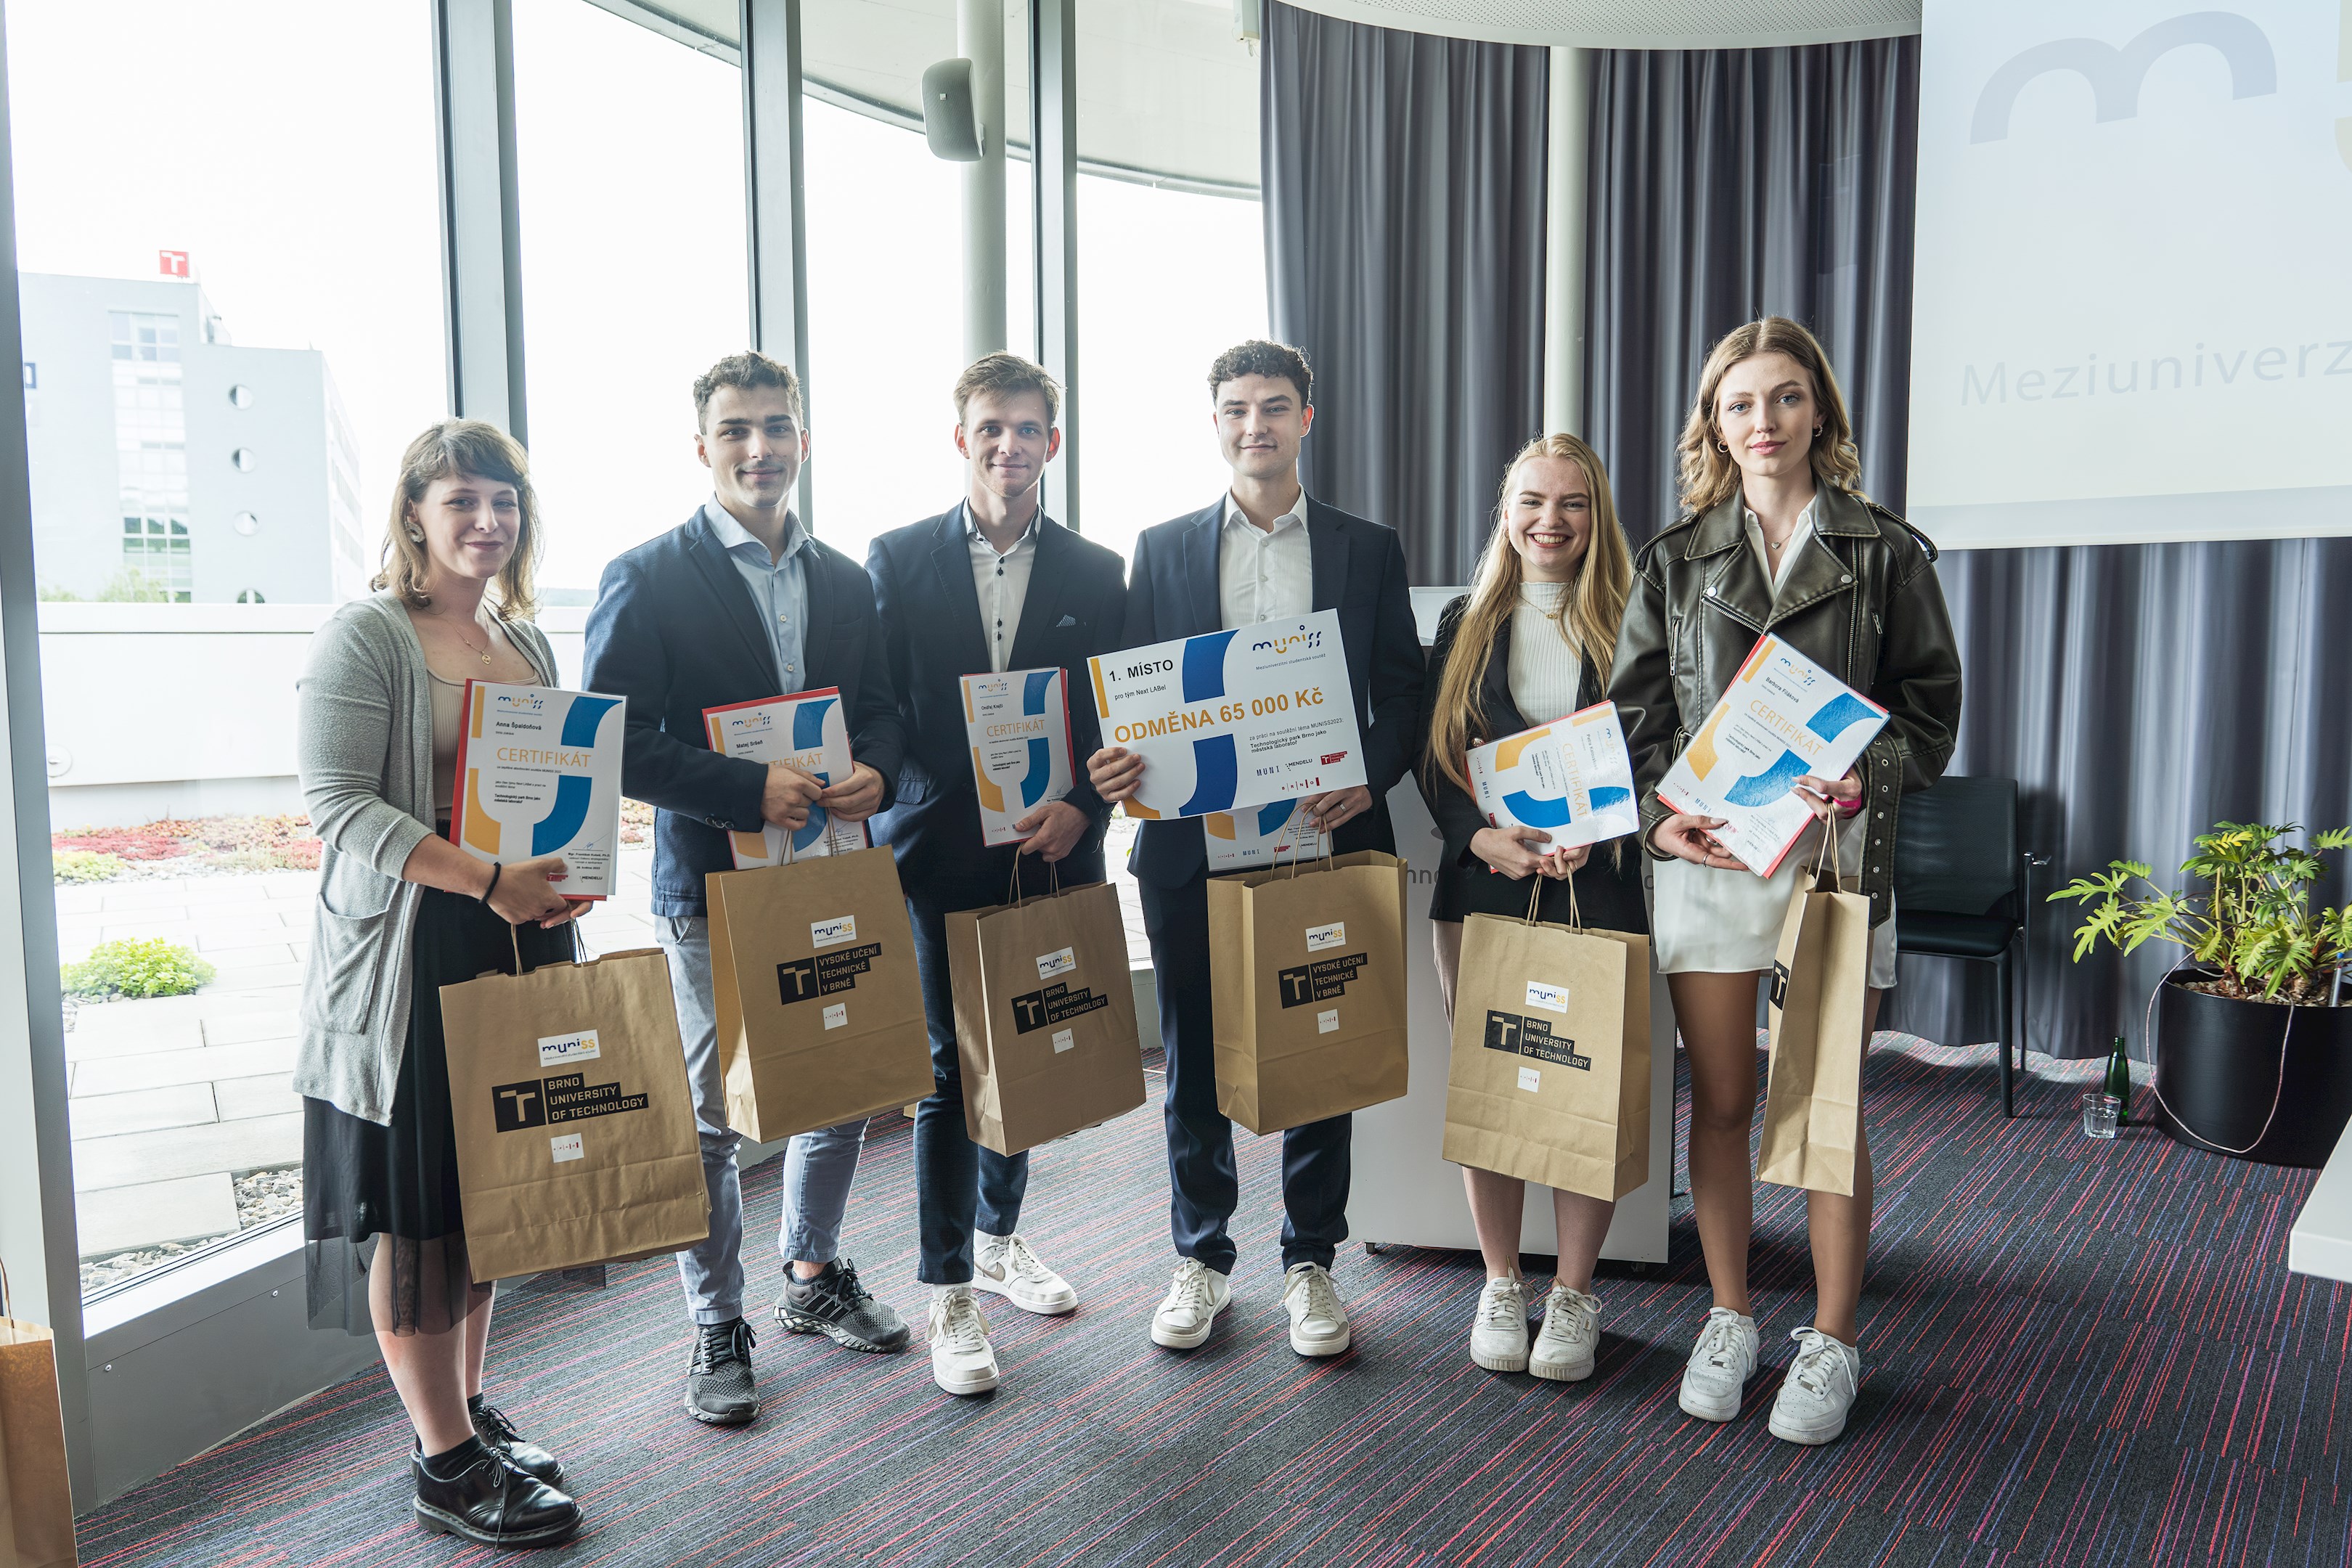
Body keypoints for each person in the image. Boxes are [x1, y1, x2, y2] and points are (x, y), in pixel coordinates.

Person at [1609, 316, 1961, 1445]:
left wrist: (1867, 776)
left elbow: (1928, 714)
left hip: (1836, 868)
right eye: (1740, 403)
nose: (1764, 422)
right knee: (1717, 1101)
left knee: (1826, 1105)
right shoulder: (1673, 558)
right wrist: (1667, 824)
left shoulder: (1887, 551)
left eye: (1786, 398)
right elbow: (1636, 722)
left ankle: (1836, 1338)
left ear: (1822, 413)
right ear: (1714, 421)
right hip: (1714, 863)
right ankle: (1729, 1314)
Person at [581, 351, 910, 1428]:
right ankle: (715, 1321)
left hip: (831, 871)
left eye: (776, 427)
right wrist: (742, 789)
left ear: (803, 440)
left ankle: (810, 1274)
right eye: (736, 431)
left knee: (846, 1083)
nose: (759, 448)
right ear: (704, 448)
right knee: (715, 1116)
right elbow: (616, 742)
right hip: (711, 884)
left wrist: (880, 771)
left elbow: (885, 710)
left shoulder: (851, 580)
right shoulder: (647, 574)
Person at [1087, 340, 1425, 1359]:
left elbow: (1405, 692)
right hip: (1194, 849)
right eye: (1236, 410)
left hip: (1325, 837)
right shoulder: (1164, 546)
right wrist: (1120, 766)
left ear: (1306, 419)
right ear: (1217, 422)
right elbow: (1137, 695)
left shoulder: (1367, 548)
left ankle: (1310, 1261)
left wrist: (1369, 769)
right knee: (1192, 1055)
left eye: (1274, 407)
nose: (1255, 427)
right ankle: (1202, 1257)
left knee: (1321, 1049)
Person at [295, 420, 583, 1546]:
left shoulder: (527, 640)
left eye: (503, 502)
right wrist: (490, 879)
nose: (486, 522)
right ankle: (444, 1461)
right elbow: (340, 807)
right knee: (421, 1218)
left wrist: (564, 873)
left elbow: (551, 784)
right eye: (461, 500)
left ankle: (460, 1410)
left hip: (517, 938)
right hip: (414, 959)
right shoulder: (367, 636)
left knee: (489, 1199)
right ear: (413, 511)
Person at [866, 352, 1129, 1396]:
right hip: (938, 847)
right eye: (990, 427)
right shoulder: (894, 559)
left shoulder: (1096, 571)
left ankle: (997, 1239)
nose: (1008, 445)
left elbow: (1116, 717)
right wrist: (941, 789)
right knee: (945, 1069)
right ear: (960, 438)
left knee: (1019, 1055)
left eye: (1027, 429)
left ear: (1051, 445)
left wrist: (1085, 808)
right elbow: (882, 707)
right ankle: (946, 1292)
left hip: (1052, 843)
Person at [1415, 432, 1649, 1382]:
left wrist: (1615, 824)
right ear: (1506, 515)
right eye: (1533, 502)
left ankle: (1576, 1294)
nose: (1551, 521)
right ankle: (1503, 1281)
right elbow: (1435, 759)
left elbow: (1656, 755)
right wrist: (1478, 834)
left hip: (1600, 887)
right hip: (1484, 889)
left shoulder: (1636, 622)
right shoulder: (1464, 621)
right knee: (1497, 1091)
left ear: (1597, 517)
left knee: (1579, 1096)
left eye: (1573, 503)